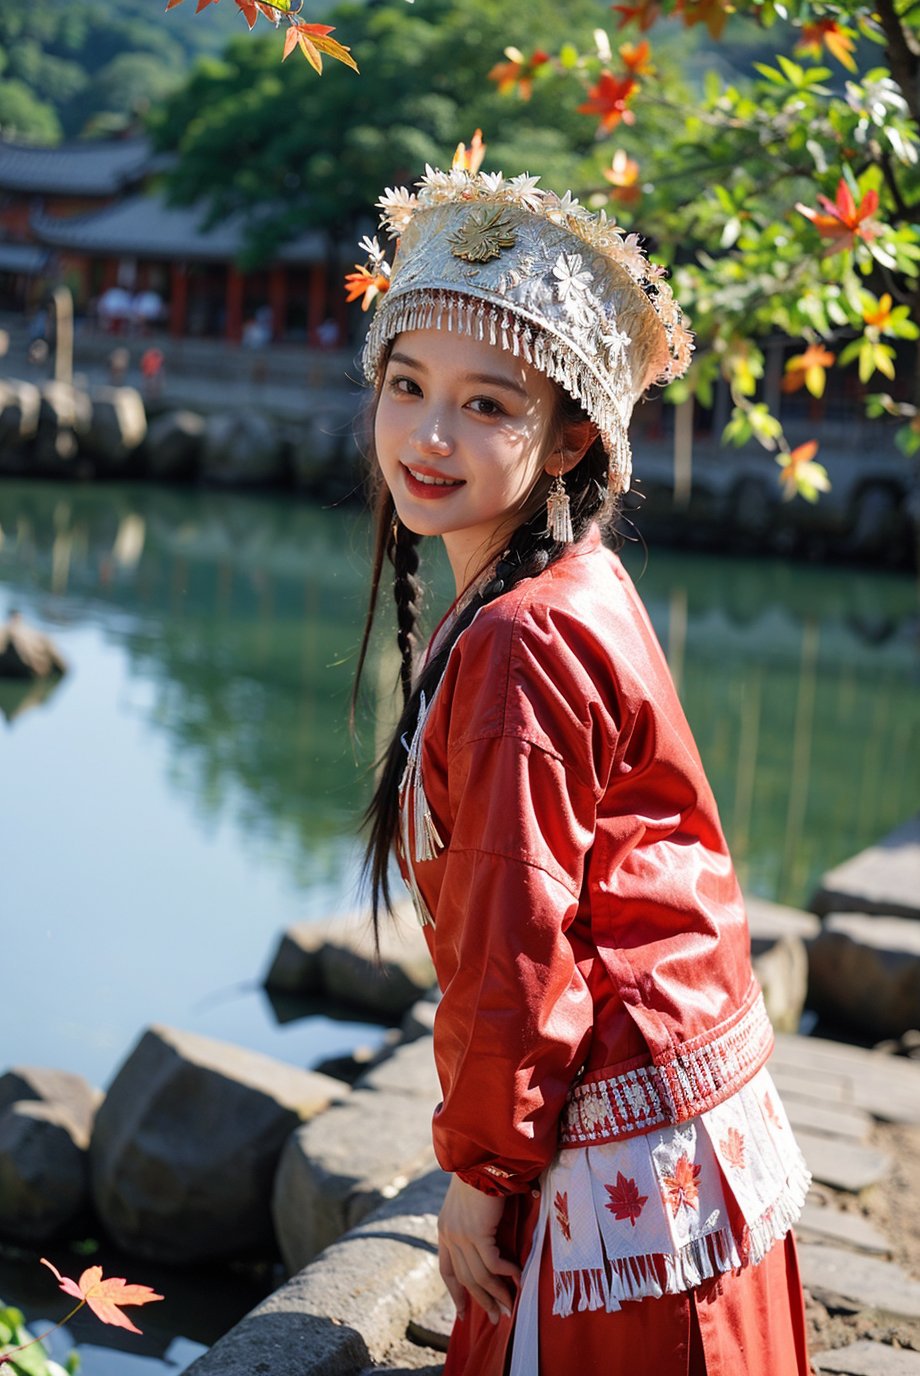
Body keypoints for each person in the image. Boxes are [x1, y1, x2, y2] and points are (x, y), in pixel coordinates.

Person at [349, 164, 812, 1376]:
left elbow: (517, 938)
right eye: (406, 385)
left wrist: (478, 1173)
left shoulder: (513, 635)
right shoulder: (574, 580)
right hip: (679, 1111)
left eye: (486, 404)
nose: (429, 435)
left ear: (567, 438)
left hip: (605, 1146)